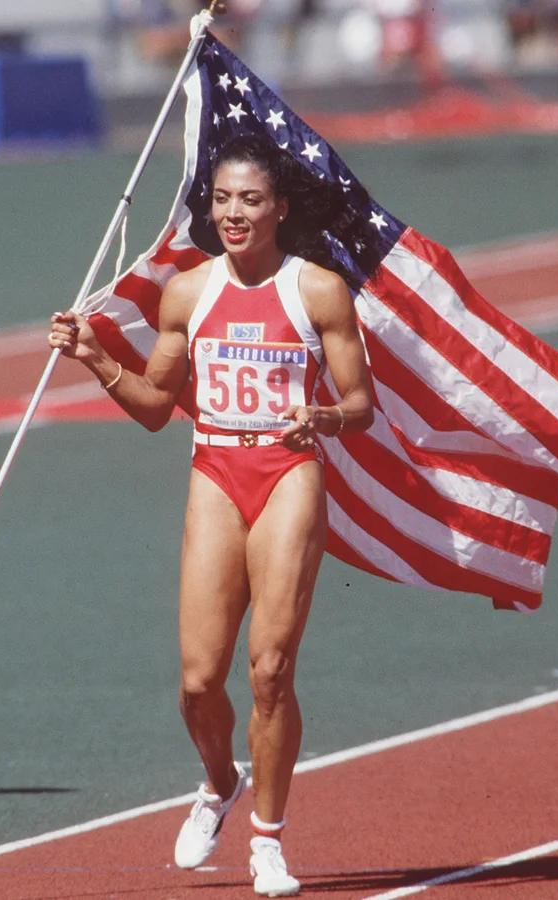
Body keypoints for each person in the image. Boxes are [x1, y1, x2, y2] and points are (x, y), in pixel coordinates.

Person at [49, 133, 376, 897]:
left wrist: (323, 418)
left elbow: (361, 406)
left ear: (279, 208)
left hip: (289, 471)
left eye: (251, 200)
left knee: (269, 669)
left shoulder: (317, 290)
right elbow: (157, 409)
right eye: (223, 199)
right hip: (216, 470)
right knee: (200, 682)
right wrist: (96, 359)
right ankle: (219, 782)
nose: (234, 213)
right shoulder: (189, 293)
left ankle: (268, 839)